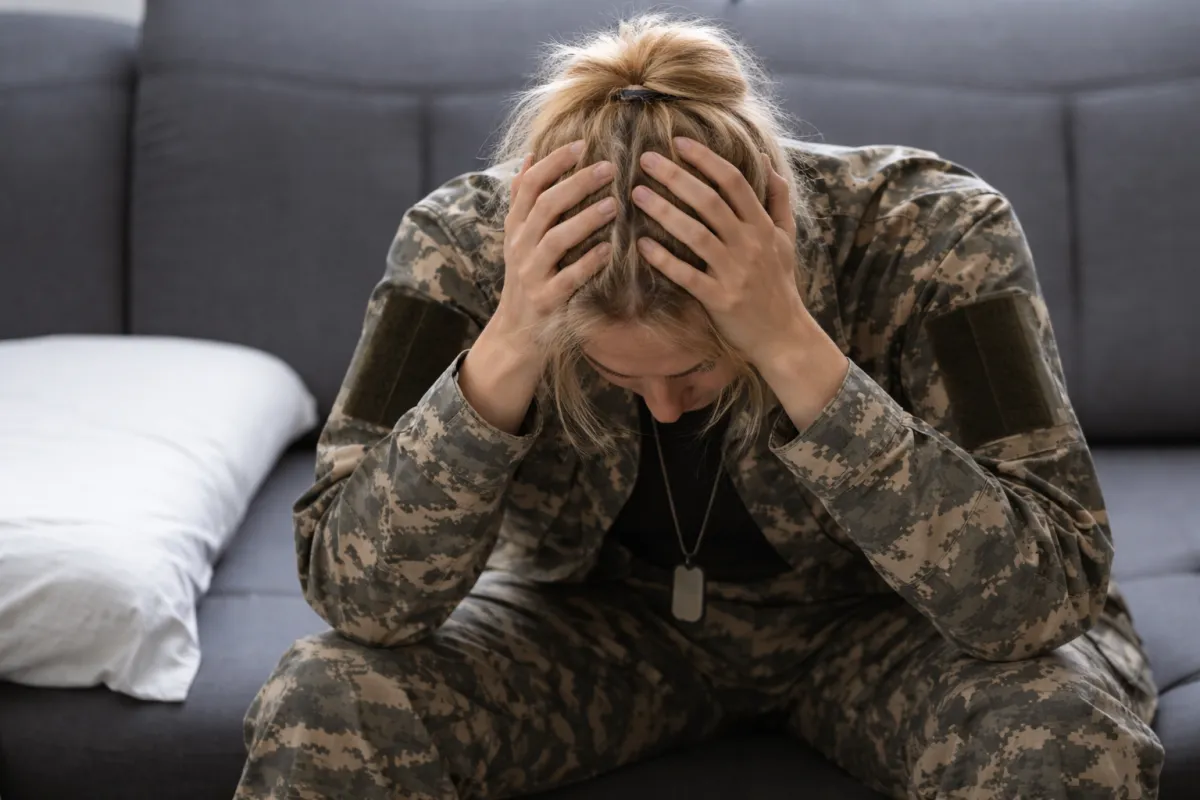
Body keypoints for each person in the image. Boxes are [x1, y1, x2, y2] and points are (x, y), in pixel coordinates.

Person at [233, 11, 1163, 800]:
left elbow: (1043, 600)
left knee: (1063, 727)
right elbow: (360, 600)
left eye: (699, 375)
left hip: (886, 624)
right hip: (603, 622)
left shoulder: (938, 233)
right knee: (328, 695)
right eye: (620, 380)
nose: (667, 411)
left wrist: (792, 346)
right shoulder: (463, 252)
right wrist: (510, 342)